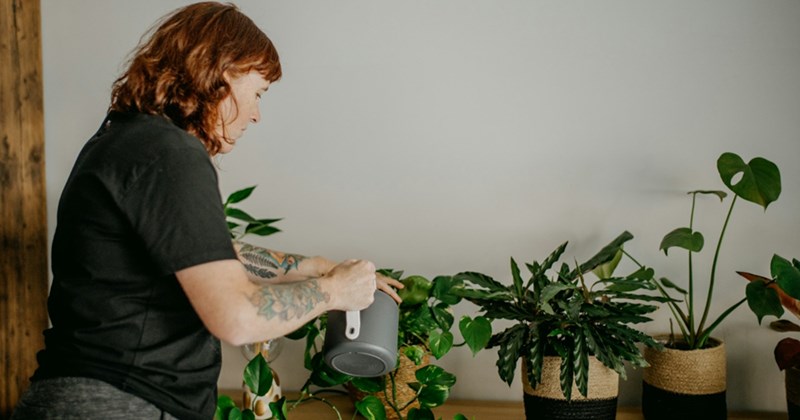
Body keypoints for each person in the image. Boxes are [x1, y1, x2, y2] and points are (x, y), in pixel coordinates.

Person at [12, 2, 402, 419]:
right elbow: (236, 317)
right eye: (257, 93)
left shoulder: (127, 141)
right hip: (120, 402)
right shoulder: (169, 152)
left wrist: (316, 267)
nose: (256, 114)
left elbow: (208, 255)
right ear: (221, 72)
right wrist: (335, 293)